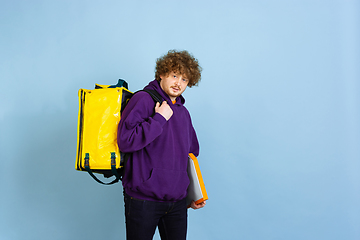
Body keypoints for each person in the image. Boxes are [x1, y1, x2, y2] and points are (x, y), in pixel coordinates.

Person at [117, 49, 206, 240]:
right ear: (162, 74)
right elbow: (126, 140)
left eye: (184, 79)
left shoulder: (183, 112)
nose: (178, 83)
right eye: (174, 75)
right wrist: (159, 119)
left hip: (178, 202)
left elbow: (190, 155)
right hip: (144, 199)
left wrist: (192, 194)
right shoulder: (143, 99)